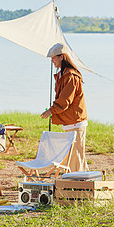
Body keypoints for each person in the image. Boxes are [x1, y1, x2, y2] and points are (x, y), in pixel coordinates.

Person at [40, 43, 89, 172]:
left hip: (76, 121)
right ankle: (75, 182)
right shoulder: (62, 75)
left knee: (76, 156)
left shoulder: (71, 76)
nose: (52, 61)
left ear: (61, 57)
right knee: (70, 155)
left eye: (53, 58)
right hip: (69, 121)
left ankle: (80, 183)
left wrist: (51, 110)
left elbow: (65, 100)